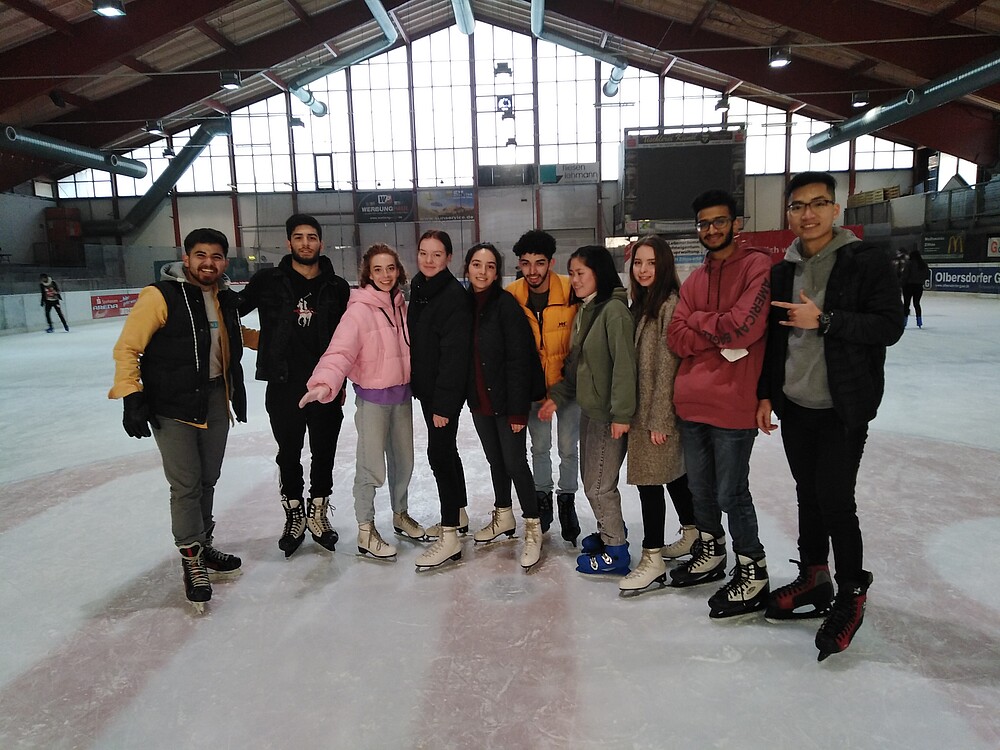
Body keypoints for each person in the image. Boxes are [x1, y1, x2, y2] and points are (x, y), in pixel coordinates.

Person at [756, 171, 904, 661]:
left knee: (836, 500)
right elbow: (775, 342)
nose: (808, 213)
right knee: (807, 495)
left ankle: (852, 591)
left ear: (835, 209)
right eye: (799, 206)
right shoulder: (784, 269)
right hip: (796, 404)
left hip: (843, 406)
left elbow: (888, 325)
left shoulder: (865, 261)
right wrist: (766, 394)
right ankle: (814, 575)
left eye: (818, 203)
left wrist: (825, 320)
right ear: (790, 214)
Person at [109, 228, 246, 612]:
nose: (208, 263)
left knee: (207, 480)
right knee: (185, 485)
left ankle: (203, 546)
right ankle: (192, 561)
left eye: (217, 257)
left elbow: (231, 337)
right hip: (173, 406)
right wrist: (130, 394)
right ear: (186, 258)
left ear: (224, 262)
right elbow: (128, 348)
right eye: (201, 255)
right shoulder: (160, 295)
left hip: (217, 398)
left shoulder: (221, 296)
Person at [666, 189, 772, 619]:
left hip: (732, 405)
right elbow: (677, 337)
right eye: (704, 224)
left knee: (732, 492)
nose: (711, 229)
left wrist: (701, 325)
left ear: (736, 223)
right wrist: (716, 329)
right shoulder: (694, 279)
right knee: (700, 490)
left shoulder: (756, 267)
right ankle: (712, 552)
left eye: (719, 221)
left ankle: (754, 569)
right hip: (691, 403)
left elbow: (744, 329)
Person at [299, 243, 427, 560]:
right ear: (367, 274)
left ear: (399, 271)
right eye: (377, 269)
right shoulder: (358, 310)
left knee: (403, 463)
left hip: (402, 398)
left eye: (390, 268)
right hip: (372, 401)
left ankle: (400, 515)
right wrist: (324, 382)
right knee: (370, 467)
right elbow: (340, 351)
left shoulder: (402, 306)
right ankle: (366, 530)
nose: (385, 275)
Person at [239, 214, 350, 558]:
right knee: (288, 453)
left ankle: (318, 512)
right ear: (289, 243)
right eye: (299, 237)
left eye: (312, 237)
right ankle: (294, 515)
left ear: (321, 242)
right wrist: (258, 342)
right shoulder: (268, 281)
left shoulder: (337, 286)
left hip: (326, 385)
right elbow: (231, 313)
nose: (306, 243)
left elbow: (350, 337)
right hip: (283, 384)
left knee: (324, 452)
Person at [539, 246, 636, 577]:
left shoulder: (614, 312)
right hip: (590, 411)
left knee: (599, 485)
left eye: (580, 273)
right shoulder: (587, 310)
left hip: (609, 415)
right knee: (592, 480)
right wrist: (559, 395)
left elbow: (625, 366)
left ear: (599, 272)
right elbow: (576, 363)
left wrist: (621, 415)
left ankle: (616, 552)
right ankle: (610, 531)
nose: (573, 279)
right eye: (571, 273)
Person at [619, 235, 696, 597]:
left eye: (651, 263)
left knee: (650, 482)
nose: (644, 269)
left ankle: (653, 559)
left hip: (656, 413)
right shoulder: (641, 304)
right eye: (638, 263)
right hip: (644, 410)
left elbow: (670, 365)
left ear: (663, 265)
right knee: (673, 476)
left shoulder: (669, 304)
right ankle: (694, 533)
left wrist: (661, 419)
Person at [464, 243, 547, 570]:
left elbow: (519, 361)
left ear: (497, 272)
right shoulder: (466, 306)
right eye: (476, 264)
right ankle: (503, 516)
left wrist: (517, 411)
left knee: (514, 463)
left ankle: (532, 526)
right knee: (495, 461)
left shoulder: (505, 305)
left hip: (507, 402)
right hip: (480, 402)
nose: (481, 271)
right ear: (468, 268)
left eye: (488, 266)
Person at [506, 230, 581, 546]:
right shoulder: (512, 295)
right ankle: (543, 496)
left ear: (551, 262)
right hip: (534, 390)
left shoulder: (570, 290)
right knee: (538, 447)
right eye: (526, 264)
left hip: (569, 387)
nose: (533, 271)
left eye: (539, 263)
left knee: (567, 447)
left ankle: (566, 499)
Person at [408, 229, 473, 570]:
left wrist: (444, 406)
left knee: (439, 454)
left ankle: (450, 536)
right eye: (423, 253)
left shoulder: (451, 296)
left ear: (449, 258)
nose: (429, 260)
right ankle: (459, 514)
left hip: (442, 394)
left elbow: (454, 356)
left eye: (436, 254)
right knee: (445, 451)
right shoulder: (419, 287)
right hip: (428, 389)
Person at [901, 248, 930, 328]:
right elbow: (927, 275)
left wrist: (901, 284)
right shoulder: (923, 264)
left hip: (908, 286)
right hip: (918, 286)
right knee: (917, 304)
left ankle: (904, 322)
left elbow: (905, 275)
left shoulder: (909, 263)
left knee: (906, 304)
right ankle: (919, 321)